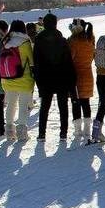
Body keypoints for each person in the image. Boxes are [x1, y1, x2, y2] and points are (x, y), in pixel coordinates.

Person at [33, 13, 76, 141]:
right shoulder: (62, 40)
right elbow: (68, 62)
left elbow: (37, 63)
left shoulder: (38, 41)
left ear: (44, 24)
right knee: (63, 106)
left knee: (44, 107)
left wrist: (38, 82)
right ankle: (63, 134)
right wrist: (71, 81)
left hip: (45, 79)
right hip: (61, 78)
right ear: (55, 24)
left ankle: (41, 134)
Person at [0, 20, 35, 141]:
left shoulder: (5, 42)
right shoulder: (25, 42)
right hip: (23, 79)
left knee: (11, 104)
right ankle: (21, 133)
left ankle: (9, 132)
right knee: (23, 105)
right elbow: (31, 61)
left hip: (7, 79)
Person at [68, 18, 96, 139]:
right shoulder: (90, 39)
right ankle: (87, 130)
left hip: (75, 76)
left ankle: (78, 130)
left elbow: (69, 58)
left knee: (76, 103)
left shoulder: (73, 41)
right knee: (86, 102)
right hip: (88, 74)